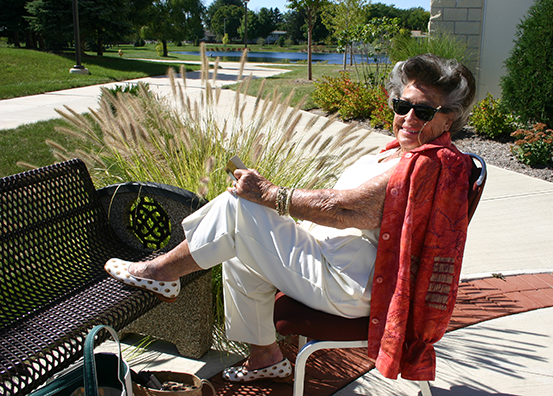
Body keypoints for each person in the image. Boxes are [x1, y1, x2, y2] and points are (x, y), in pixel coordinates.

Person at [105, 53, 477, 383]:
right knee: (240, 242)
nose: (408, 118)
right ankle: (266, 358)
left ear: (450, 119)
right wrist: (275, 204)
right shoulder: (404, 153)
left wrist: (269, 195)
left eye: (424, 111)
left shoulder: (426, 166)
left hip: (350, 284)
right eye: (401, 105)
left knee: (239, 208)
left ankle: (161, 273)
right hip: (335, 263)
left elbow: (345, 208)